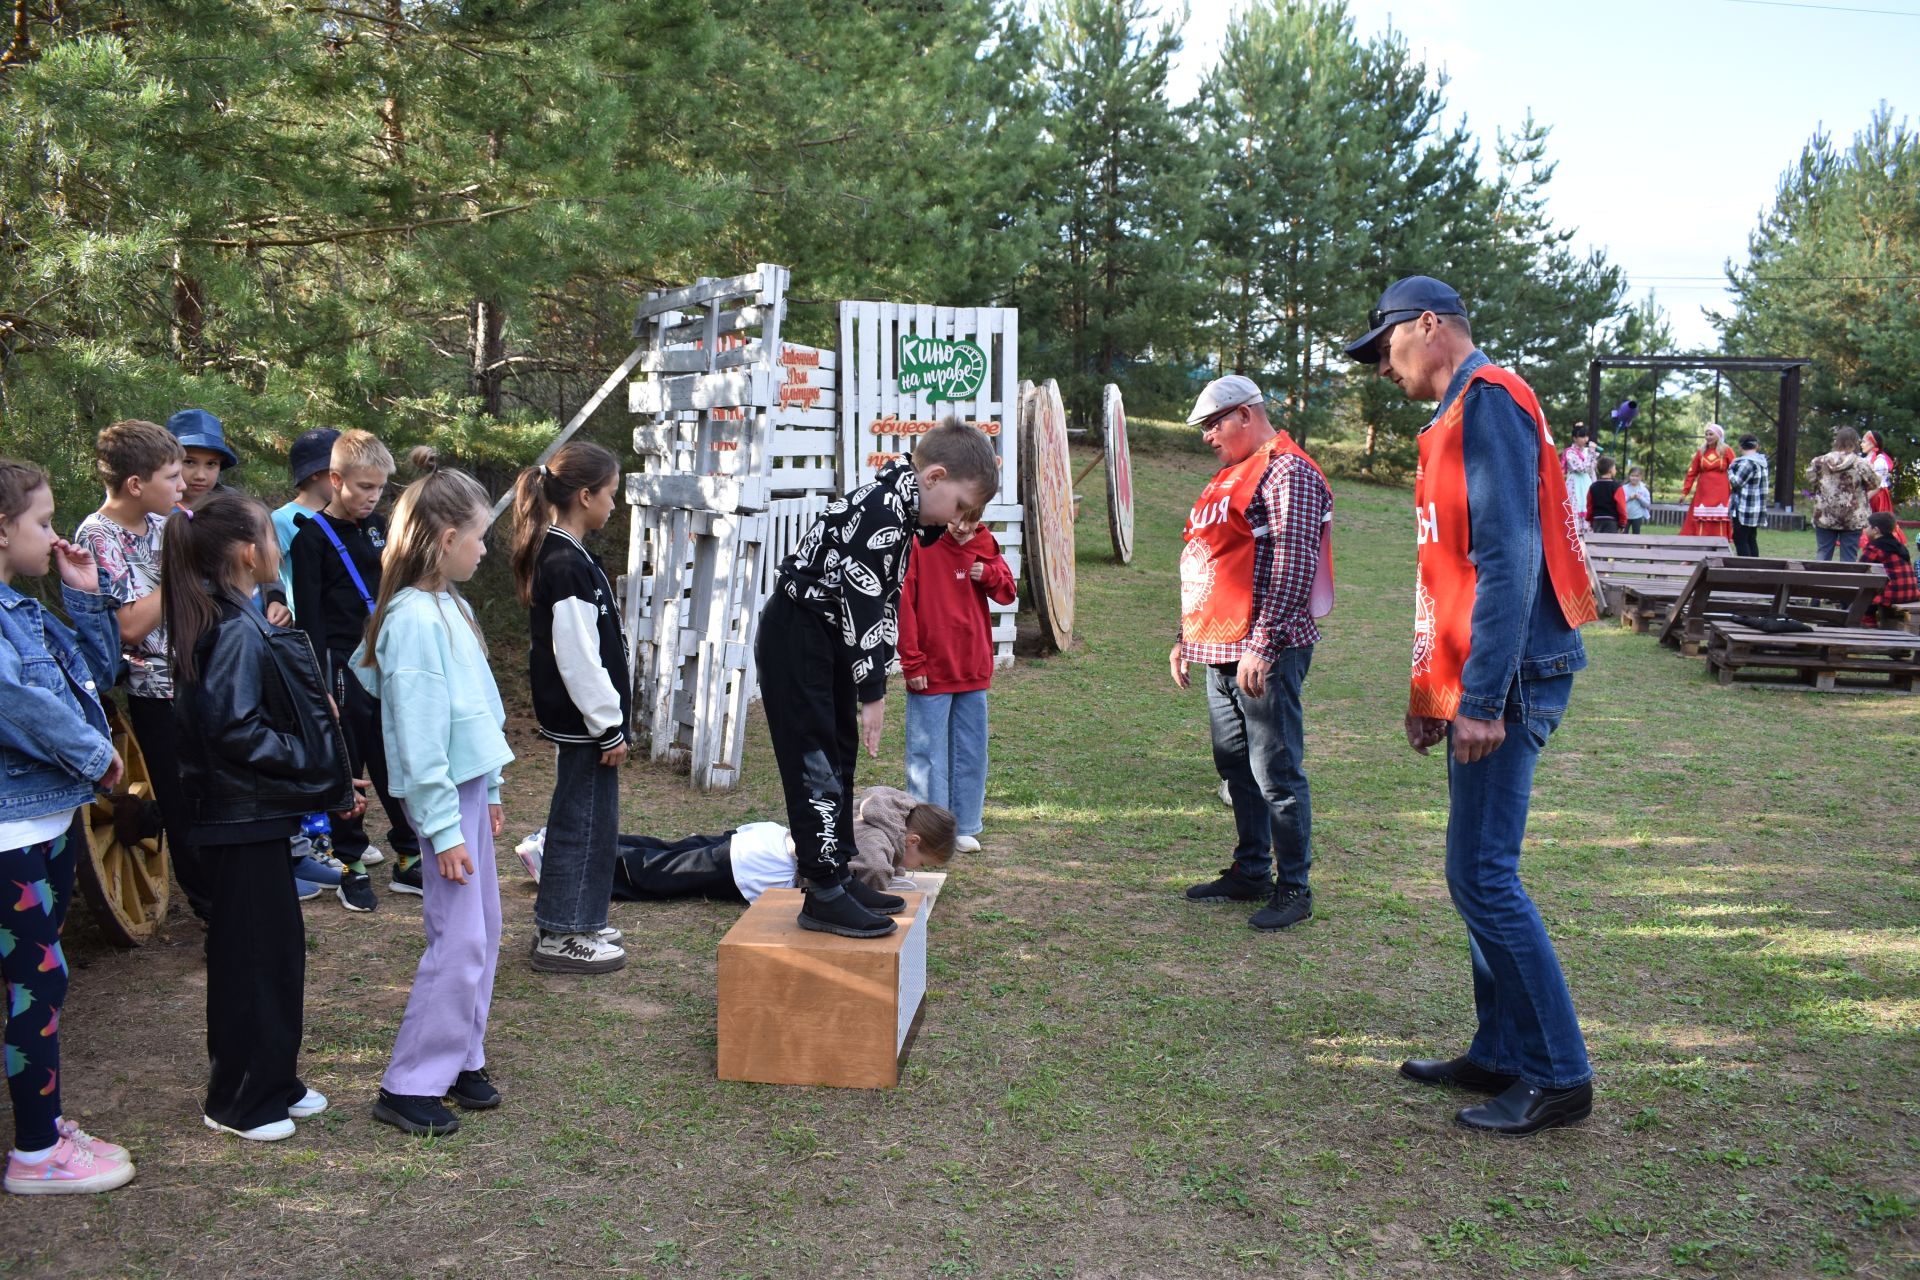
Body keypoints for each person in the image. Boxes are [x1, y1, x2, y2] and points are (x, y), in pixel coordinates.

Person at [1345, 274, 1597, 1137]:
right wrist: (1436, 692)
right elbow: (1446, 571)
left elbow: (1508, 558)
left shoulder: (1486, 402)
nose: (1382, 366)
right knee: (1474, 874)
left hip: (1514, 676)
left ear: (1428, 326)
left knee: (1484, 876)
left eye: (1385, 347)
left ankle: (1559, 1074)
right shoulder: (1456, 414)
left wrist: (1481, 698)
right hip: (1487, 677)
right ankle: (1498, 1049)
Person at [756, 418, 998, 940]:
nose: (960, 520)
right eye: (960, 506)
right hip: (800, 638)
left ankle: (838, 875)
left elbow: (878, 600)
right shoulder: (882, 511)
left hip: (827, 639)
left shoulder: (903, 502)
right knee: (817, 765)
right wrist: (873, 693)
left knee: (839, 757)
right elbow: (864, 603)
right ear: (934, 477)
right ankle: (821, 892)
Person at [163, 492, 357, 1143]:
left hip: (256, 819)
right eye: (269, 535)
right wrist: (306, 757)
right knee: (251, 961)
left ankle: (276, 1076)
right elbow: (233, 727)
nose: (278, 544)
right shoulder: (231, 626)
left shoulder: (238, 615)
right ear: (250, 553)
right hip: (238, 821)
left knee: (276, 956)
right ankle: (238, 1099)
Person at [354, 452, 513, 1139]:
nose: (484, 549)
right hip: (444, 798)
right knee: (460, 938)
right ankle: (410, 1081)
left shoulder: (449, 603)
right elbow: (419, 741)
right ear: (446, 539)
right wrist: (444, 829)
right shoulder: (413, 619)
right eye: (478, 537)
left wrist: (494, 787)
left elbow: (475, 710)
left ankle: (460, 1058)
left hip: (470, 789)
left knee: (486, 930)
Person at [0, 460, 136, 1196]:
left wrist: (85, 599)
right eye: (44, 523)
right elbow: (15, 703)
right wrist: (98, 756)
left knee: (41, 980)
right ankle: (33, 1153)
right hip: (10, 837)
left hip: (43, 823)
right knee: (35, 982)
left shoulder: (23, 607)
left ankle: (43, 1128)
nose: (55, 537)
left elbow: (96, 673)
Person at [1172, 375, 1333, 933]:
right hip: (1220, 645)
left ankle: (1294, 887)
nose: (1207, 437)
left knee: (1275, 771)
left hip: (1265, 648)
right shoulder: (1232, 473)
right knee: (1235, 765)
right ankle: (1250, 870)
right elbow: (1208, 558)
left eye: (1213, 424)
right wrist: (1185, 635)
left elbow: (1293, 567)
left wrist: (1263, 646)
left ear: (1244, 414)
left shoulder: (1288, 470)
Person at [72, 421, 210, 924]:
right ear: (136, 485)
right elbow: (130, 625)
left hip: (196, 676)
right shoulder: (98, 535)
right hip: (154, 689)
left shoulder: (163, 524)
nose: (184, 485)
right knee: (180, 799)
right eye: (173, 476)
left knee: (208, 791)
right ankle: (210, 908)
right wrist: (184, 573)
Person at [509, 443, 631, 975]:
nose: (613, 507)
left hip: (588, 723)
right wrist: (608, 725)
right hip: (585, 724)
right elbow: (577, 657)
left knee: (592, 821)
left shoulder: (571, 555)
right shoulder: (562, 562)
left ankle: (577, 918)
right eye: (611, 496)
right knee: (581, 823)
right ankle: (561, 932)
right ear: (585, 496)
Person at [289, 428, 422, 906]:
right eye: (364, 487)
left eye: (379, 488)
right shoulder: (310, 540)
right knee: (350, 762)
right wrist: (319, 684)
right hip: (340, 665)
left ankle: (409, 856)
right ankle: (349, 861)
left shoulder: (380, 527)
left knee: (393, 753)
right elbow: (309, 620)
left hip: (384, 659)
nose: (372, 497)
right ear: (335, 479)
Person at [520, 788, 958, 905]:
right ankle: (560, 864)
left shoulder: (892, 807)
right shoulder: (879, 842)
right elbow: (874, 876)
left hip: (763, 841)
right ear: (912, 839)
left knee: (667, 850)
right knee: (658, 874)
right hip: (756, 864)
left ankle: (561, 842)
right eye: (918, 860)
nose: (912, 868)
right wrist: (895, 885)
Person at [898, 509, 1017, 855]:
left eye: (971, 521)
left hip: (972, 665)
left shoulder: (984, 541)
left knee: (970, 750)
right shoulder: (921, 542)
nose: (963, 529)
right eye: (957, 520)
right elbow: (904, 602)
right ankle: (928, 831)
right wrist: (912, 661)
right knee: (927, 752)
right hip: (930, 667)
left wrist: (989, 574)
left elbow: (1008, 592)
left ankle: (964, 825)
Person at [1806, 427, 1876, 563]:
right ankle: (1848, 584)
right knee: (1849, 557)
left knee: (1823, 553)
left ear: (1837, 441)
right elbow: (1874, 483)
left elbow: (1811, 480)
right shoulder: (1860, 463)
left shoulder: (1819, 462)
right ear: (1855, 442)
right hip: (1853, 517)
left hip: (1825, 516)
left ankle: (1818, 583)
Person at [1860, 512, 1918, 626]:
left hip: (1893, 594)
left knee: (1866, 588)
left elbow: (1860, 568)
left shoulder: (1874, 547)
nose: (1865, 529)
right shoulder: (1899, 546)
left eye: (1867, 526)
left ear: (1875, 530)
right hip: (1911, 592)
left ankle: (1868, 619)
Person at [1679, 424, 1734, 539]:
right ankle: (1700, 545)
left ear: (1718, 436)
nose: (1708, 437)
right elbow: (1691, 473)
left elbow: (1736, 469)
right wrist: (1685, 492)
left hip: (1721, 490)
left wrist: (1735, 489)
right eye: (1706, 434)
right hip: (1703, 491)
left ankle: (1719, 546)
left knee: (1718, 516)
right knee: (1701, 516)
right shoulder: (1701, 452)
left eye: (1711, 434)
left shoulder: (1726, 451)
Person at [1726, 434, 1771, 558]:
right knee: (1751, 538)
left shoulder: (1747, 463)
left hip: (1744, 508)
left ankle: (1746, 569)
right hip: (1756, 508)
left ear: (1740, 447)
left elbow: (1736, 482)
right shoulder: (1762, 462)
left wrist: (1729, 470)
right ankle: (1755, 568)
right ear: (1756, 446)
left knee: (1740, 538)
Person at [1561, 425, 1596, 532]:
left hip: (1587, 482)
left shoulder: (1588, 451)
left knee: (1588, 505)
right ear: (1575, 438)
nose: (1585, 439)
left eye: (1586, 436)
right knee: (1574, 510)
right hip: (1575, 484)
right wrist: (1591, 453)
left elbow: (1592, 469)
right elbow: (1581, 468)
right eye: (1582, 436)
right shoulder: (1570, 452)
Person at [1584, 457, 1628, 534]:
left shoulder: (1593, 487)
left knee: (1598, 543)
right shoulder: (1617, 487)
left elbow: (1589, 505)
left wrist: (1590, 520)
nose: (1616, 470)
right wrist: (1622, 523)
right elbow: (1621, 506)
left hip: (1597, 520)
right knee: (1609, 543)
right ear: (1610, 470)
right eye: (1615, 468)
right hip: (1611, 521)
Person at [1623, 468, 1652, 535]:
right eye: (1632, 476)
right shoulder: (1624, 488)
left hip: (1637, 516)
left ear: (1641, 477)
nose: (1634, 478)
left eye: (1637, 476)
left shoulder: (1643, 489)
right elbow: (1621, 501)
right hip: (1625, 515)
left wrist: (1640, 498)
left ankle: (1636, 545)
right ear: (1629, 476)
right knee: (1623, 533)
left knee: (1636, 534)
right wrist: (1629, 498)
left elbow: (1647, 504)